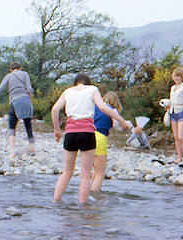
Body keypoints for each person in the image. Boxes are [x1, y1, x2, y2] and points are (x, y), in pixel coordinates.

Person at [51, 73, 130, 204]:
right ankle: (83, 207)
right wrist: (121, 120)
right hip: (87, 133)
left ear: (75, 83)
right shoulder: (92, 89)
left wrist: (57, 130)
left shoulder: (67, 91)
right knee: (85, 175)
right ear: (88, 83)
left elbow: (54, 110)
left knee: (67, 172)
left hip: (70, 134)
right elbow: (103, 107)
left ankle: (55, 201)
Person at [91, 91, 139, 191]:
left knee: (95, 169)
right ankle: (94, 197)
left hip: (87, 136)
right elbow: (118, 126)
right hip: (99, 137)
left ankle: (88, 193)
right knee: (100, 173)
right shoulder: (112, 110)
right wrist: (128, 127)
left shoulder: (94, 107)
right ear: (116, 102)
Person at [0, 62, 36, 158]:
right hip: (26, 100)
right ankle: (33, 147)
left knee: (12, 126)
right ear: (20, 68)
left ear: (11, 69)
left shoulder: (8, 76)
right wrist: (30, 102)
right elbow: (29, 89)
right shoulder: (25, 74)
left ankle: (12, 152)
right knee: (28, 124)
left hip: (15, 102)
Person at [166, 67, 183, 165]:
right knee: (176, 137)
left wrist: (182, 102)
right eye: (175, 76)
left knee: (181, 137)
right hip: (173, 112)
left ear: (182, 77)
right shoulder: (173, 88)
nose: (176, 78)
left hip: (182, 112)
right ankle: (179, 157)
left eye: (178, 76)